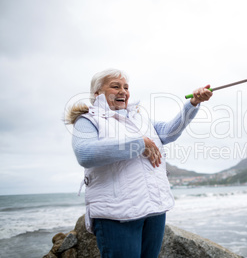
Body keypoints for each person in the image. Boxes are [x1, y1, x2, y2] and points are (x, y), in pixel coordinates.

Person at [66, 68, 212, 258]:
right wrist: (139, 143)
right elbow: (85, 154)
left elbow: (169, 132)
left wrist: (193, 103)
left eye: (126, 87)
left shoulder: (140, 118)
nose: (123, 91)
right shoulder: (87, 121)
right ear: (97, 94)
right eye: (115, 86)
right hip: (117, 215)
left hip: (154, 210)